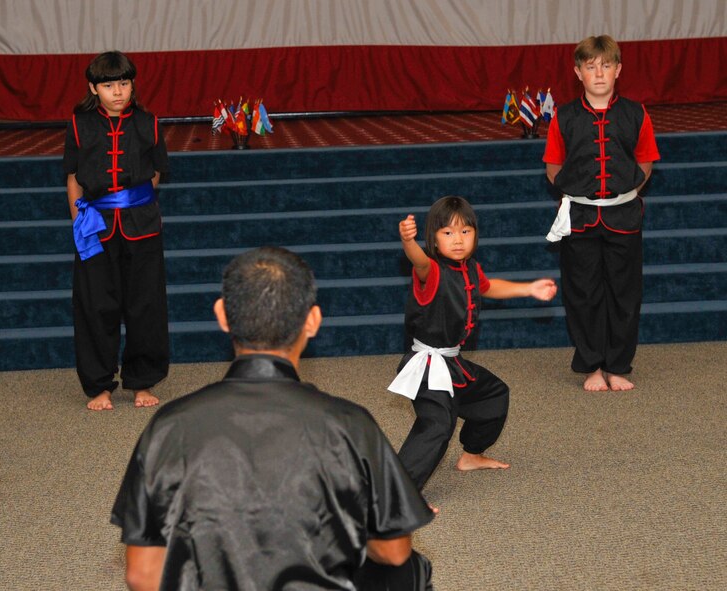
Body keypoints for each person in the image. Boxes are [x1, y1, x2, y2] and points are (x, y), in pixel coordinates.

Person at [111, 246, 435, 591]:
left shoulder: (169, 424)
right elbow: (394, 550)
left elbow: (141, 575)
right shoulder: (350, 423)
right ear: (312, 321)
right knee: (411, 569)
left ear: (222, 315)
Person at [389, 196, 557, 493]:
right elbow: (417, 259)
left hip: (453, 363)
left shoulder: (469, 268)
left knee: (493, 396)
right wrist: (408, 241)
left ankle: (471, 455)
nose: (458, 240)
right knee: (438, 425)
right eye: (448, 233)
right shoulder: (430, 269)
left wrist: (528, 288)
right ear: (433, 238)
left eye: (466, 232)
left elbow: (488, 287)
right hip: (428, 366)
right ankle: (401, 495)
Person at [543, 35, 660, 392]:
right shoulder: (563, 116)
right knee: (583, 293)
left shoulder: (636, 112)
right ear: (578, 73)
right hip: (580, 219)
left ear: (618, 70)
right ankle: (593, 364)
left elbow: (645, 159)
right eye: (590, 66)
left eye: (606, 65)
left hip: (623, 217)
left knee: (625, 293)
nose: (599, 73)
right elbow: (553, 166)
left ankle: (617, 365)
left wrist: (626, 190)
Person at [63, 51, 170, 410]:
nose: (118, 91)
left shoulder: (148, 123)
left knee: (145, 305)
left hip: (142, 226)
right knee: (96, 306)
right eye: (109, 85)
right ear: (94, 88)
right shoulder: (79, 125)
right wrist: (80, 221)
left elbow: (156, 173)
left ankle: (142, 382)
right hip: (95, 226)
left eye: (124, 83)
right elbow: (74, 178)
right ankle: (100, 386)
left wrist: (137, 203)